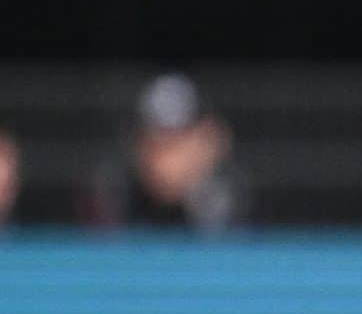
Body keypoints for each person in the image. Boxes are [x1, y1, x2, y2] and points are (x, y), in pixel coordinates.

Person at [87, 74, 245, 232]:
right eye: (157, 143)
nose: (167, 158)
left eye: (176, 141)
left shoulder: (226, 193)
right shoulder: (116, 189)